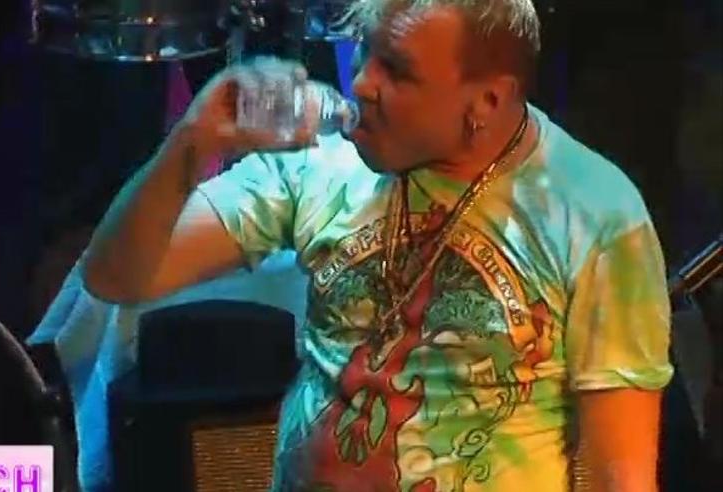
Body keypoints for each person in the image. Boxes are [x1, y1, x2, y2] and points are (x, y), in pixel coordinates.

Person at [80, 0, 673, 490]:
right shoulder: (321, 163)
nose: (361, 83)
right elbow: (116, 278)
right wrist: (192, 141)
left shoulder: (593, 214)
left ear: (486, 102)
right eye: (364, 51)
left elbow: (622, 476)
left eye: (397, 71)